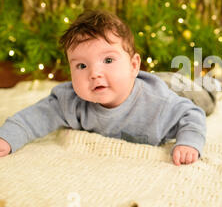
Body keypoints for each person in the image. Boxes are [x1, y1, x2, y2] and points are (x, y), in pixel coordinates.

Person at [0, 10, 206, 165]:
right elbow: (35, 117)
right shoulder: (70, 101)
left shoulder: (160, 103)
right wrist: (7, 137)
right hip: (143, 80)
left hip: (178, 87)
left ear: (134, 65)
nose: (94, 73)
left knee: (204, 97)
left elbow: (191, 114)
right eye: (81, 65)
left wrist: (188, 142)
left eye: (108, 60)